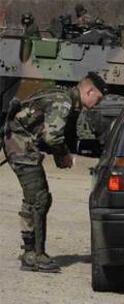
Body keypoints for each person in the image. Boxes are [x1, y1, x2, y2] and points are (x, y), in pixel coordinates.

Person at [3, 72, 108, 273]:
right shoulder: (64, 102)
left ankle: (29, 250)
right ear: (89, 90)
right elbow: (52, 136)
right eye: (98, 98)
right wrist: (63, 155)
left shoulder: (60, 94)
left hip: (17, 143)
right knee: (39, 199)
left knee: (33, 198)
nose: (96, 104)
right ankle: (36, 255)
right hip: (21, 147)